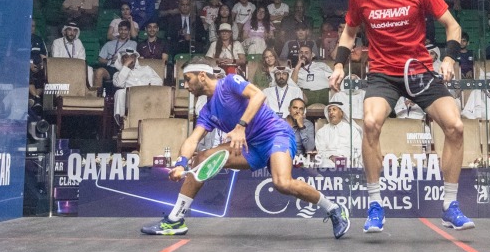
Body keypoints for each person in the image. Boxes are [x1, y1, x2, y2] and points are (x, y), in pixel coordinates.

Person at [328, 0, 474, 233]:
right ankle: (375, 205)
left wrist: (447, 58)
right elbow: (348, 33)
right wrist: (339, 64)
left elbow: (453, 26)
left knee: (455, 127)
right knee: (370, 124)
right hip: (383, 74)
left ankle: (449, 205)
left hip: (419, 71)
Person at [141, 59, 349, 238]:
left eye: (188, 79)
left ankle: (334, 209)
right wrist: (181, 163)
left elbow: (259, 96)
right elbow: (193, 140)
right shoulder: (207, 110)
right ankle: (176, 220)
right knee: (201, 158)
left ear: (202, 75)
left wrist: (240, 127)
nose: (185, 86)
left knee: (282, 183)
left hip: (275, 135)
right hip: (251, 147)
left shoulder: (229, 82)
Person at [112, 50, 163, 119]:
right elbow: (119, 84)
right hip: (131, 96)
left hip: (148, 93)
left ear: (136, 59)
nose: (130, 59)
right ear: (121, 60)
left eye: (132, 57)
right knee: (119, 92)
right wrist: (125, 66)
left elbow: (158, 81)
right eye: (126, 57)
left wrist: (149, 87)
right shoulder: (118, 74)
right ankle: (122, 120)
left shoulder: (146, 69)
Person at [316, 97, 363, 167]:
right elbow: (320, 151)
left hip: (348, 160)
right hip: (328, 161)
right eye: (329, 111)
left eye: (334, 109)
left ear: (342, 113)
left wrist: (344, 157)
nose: (331, 112)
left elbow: (357, 149)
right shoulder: (321, 131)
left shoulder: (352, 130)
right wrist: (331, 157)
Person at [95, 22, 138, 92]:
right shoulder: (109, 44)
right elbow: (100, 59)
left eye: (125, 30)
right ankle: (98, 98)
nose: (123, 32)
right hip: (112, 68)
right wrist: (109, 61)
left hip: (126, 68)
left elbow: (136, 58)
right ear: (118, 30)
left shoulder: (133, 44)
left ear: (129, 31)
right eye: (121, 29)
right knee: (99, 72)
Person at [285, 97, 317, 163]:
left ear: (303, 111)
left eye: (301, 109)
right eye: (295, 108)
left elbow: (310, 149)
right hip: (281, 158)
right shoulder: (279, 123)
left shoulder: (308, 125)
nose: (297, 111)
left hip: (299, 160)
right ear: (289, 109)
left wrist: (302, 127)